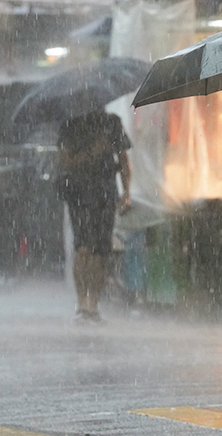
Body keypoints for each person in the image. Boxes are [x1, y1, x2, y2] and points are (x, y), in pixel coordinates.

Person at [57, 109, 132, 323]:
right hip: (79, 194)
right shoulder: (70, 124)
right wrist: (92, 152)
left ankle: (93, 305)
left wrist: (126, 192)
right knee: (83, 247)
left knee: (101, 250)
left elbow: (124, 160)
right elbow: (64, 162)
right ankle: (82, 304)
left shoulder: (112, 123)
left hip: (106, 194)